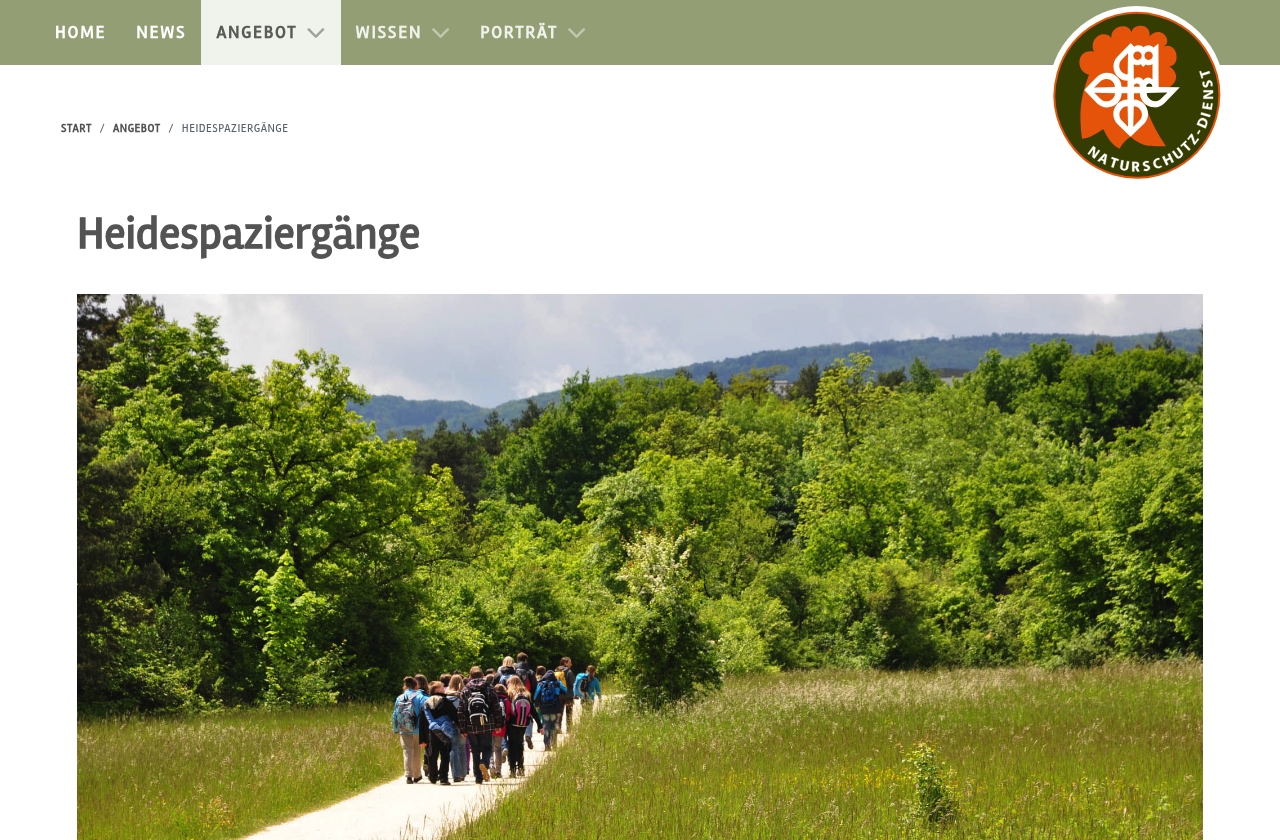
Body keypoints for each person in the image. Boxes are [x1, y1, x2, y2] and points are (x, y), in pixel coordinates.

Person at [459, 666, 505, 783]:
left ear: (470, 676)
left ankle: (478, 778)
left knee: (475, 750)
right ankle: (484, 762)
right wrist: (498, 724)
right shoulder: (489, 688)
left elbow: (461, 711)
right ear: (483, 675)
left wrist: (463, 729)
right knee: (487, 748)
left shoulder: (465, 690)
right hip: (487, 724)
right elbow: (496, 707)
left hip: (471, 725)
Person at [422, 681, 459, 784]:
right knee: (445, 754)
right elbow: (454, 715)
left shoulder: (426, 703)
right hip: (446, 731)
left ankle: (433, 776)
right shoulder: (445, 701)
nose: (444, 689)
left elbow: (423, 721)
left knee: (432, 754)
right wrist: (462, 728)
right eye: (442, 687)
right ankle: (443, 777)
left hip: (432, 731)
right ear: (437, 689)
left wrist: (422, 738)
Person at [391, 676, 425, 783]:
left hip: (404, 729)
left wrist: (396, 728)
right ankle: (417, 775)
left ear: (405, 686)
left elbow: (395, 714)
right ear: (416, 686)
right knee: (416, 752)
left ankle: (408, 776)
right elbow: (424, 713)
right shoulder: (420, 697)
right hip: (417, 729)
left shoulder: (400, 698)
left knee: (407, 752)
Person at [505, 675, 535, 775]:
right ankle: (521, 768)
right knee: (520, 744)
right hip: (523, 724)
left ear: (511, 683)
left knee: (512, 745)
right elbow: (532, 710)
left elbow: (507, 709)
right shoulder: (526, 693)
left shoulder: (510, 693)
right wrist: (539, 725)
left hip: (512, 723)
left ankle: (512, 769)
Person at [534, 666, 566, 749]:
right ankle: (554, 744)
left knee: (546, 726)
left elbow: (535, 696)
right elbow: (565, 690)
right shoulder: (557, 683)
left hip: (544, 708)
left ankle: (547, 745)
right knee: (553, 726)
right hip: (554, 708)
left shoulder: (541, 684)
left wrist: (537, 705)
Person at [446, 674, 468, 782]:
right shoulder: (463, 697)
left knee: (452, 748)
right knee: (462, 748)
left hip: (449, 725)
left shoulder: (446, 697)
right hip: (461, 725)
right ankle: (463, 773)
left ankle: (456, 774)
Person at [514, 654, 536, 748]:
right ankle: (528, 735)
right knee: (529, 716)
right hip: (528, 696)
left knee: (516, 716)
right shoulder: (530, 672)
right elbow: (534, 685)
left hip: (515, 696)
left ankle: (520, 741)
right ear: (526, 660)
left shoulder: (513, 671)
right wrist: (532, 697)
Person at [556, 657, 576, 733]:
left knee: (559, 712)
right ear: (565, 663)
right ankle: (569, 729)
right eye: (570, 662)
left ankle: (558, 727)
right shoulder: (569, 671)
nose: (571, 664)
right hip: (568, 695)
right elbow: (573, 683)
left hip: (559, 694)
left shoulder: (557, 671)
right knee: (569, 712)